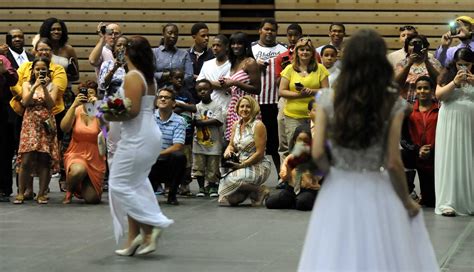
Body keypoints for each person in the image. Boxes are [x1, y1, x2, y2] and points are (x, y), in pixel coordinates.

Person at [298, 29, 438, 271]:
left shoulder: (327, 99)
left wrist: (332, 173)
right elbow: (393, 162)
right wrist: (406, 201)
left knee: (336, 254)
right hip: (376, 188)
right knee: (378, 254)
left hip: (338, 189)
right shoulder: (390, 102)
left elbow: (318, 153)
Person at [105, 36, 173, 256]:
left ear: (128, 54)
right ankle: (139, 236)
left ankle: (153, 225)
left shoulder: (133, 77)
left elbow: (131, 111)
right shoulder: (149, 78)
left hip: (138, 136)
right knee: (135, 185)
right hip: (148, 132)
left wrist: (104, 113)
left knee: (117, 184)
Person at [39, 17, 80, 190]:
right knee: (46, 136)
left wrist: (66, 74)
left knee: (65, 137)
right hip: (43, 95)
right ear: (47, 31)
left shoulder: (68, 49)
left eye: (59, 29)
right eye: (53, 29)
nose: (56, 32)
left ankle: (64, 176)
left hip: (65, 96)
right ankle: (44, 179)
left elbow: (77, 76)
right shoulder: (41, 49)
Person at [14, 57, 60, 204]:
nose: (40, 71)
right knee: (26, 158)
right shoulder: (27, 84)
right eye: (37, 69)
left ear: (48, 71)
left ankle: (41, 193)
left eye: (43, 69)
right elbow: (25, 102)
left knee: (44, 158)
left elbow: (51, 104)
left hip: (46, 123)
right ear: (33, 70)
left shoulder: (53, 86)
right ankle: (21, 192)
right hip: (30, 123)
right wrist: (35, 87)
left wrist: (44, 87)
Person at [435, 47, 474, 217]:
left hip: (470, 121)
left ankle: (469, 201)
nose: (463, 68)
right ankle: (447, 203)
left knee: (469, 157)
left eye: (466, 64)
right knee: (449, 157)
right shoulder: (447, 74)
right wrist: (455, 83)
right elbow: (439, 95)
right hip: (449, 120)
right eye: (460, 64)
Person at [279, 38, 329, 159]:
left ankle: (313, 176)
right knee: (295, 149)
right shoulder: (289, 69)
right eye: (302, 49)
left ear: (312, 52)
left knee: (315, 148)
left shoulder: (320, 68)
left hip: (315, 116)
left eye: (308, 50)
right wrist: (298, 95)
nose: (305, 52)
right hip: (293, 115)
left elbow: (326, 91)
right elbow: (281, 91)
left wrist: (312, 92)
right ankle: (293, 176)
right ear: (297, 52)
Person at [218, 95, 271, 207]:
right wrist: (228, 151)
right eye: (242, 106)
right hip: (240, 163)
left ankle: (260, 190)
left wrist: (242, 165)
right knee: (228, 201)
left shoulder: (258, 125)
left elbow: (260, 153)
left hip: (258, 165)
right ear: (237, 109)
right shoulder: (236, 125)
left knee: (230, 180)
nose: (244, 109)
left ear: (253, 109)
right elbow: (231, 145)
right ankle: (252, 192)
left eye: (248, 107)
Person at [60, 80, 106, 204]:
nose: (88, 97)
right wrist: (74, 105)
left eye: (91, 94)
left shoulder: (99, 110)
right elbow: (64, 128)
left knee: (92, 199)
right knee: (78, 170)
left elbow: (107, 133)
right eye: (86, 93)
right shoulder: (77, 109)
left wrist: (97, 109)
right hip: (76, 153)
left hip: (95, 156)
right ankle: (69, 191)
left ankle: (83, 183)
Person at [251, 18, 287, 173]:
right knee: (253, 141)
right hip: (254, 102)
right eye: (266, 29)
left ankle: (281, 175)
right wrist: (253, 65)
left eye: (272, 29)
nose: (269, 32)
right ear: (260, 30)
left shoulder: (283, 49)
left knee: (275, 142)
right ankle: (250, 174)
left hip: (275, 101)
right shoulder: (250, 48)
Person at [401, 76, 439, 208]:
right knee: (399, 155)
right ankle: (409, 192)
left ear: (432, 90)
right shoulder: (409, 111)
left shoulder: (440, 110)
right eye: (419, 88)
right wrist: (418, 150)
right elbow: (403, 139)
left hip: (435, 158)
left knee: (430, 202)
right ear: (415, 91)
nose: (422, 91)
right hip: (415, 156)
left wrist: (431, 150)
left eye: (426, 88)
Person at [266, 125, 319, 211]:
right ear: (294, 141)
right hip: (292, 189)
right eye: (299, 141)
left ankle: (304, 201)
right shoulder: (290, 157)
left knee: (303, 202)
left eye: (306, 141)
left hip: (309, 190)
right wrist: (287, 170)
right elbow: (284, 178)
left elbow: (316, 178)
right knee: (270, 202)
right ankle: (293, 201)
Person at [149, 88, 187, 205]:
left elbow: (177, 146)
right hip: (149, 160)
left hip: (166, 160)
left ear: (174, 103)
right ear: (156, 101)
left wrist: (158, 154)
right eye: (160, 97)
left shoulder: (179, 121)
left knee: (179, 157)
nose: (163, 99)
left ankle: (172, 194)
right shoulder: (148, 118)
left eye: (167, 97)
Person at [221, 32, 260, 141]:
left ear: (245, 45)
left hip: (248, 107)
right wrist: (226, 85)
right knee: (234, 141)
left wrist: (234, 83)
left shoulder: (250, 62)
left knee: (247, 140)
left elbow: (257, 89)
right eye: (233, 43)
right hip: (234, 107)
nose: (235, 46)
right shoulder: (234, 63)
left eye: (239, 43)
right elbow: (235, 88)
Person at [192, 79, 224, 197]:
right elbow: (195, 121)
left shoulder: (216, 106)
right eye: (200, 90)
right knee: (199, 167)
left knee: (213, 166)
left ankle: (212, 186)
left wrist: (202, 122)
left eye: (205, 89)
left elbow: (217, 120)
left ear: (211, 90)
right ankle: (201, 188)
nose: (203, 92)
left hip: (214, 143)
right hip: (199, 143)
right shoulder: (197, 107)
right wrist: (201, 122)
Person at [169, 68, 196, 195]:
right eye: (176, 77)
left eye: (181, 77)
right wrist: (179, 108)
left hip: (187, 132)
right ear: (171, 79)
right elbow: (165, 109)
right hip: (170, 132)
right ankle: (170, 184)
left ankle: (185, 184)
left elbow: (194, 107)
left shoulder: (187, 93)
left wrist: (180, 105)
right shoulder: (168, 92)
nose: (179, 80)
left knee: (187, 160)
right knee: (171, 159)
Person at [395, 34, 442, 104]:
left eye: (419, 44)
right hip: (406, 106)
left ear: (425, 47)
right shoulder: (402, 64)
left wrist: (426, 61)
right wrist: (409, 64)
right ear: (407, 48)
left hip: (430, 105)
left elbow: (440, 82)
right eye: (411, 44)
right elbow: (396, 84)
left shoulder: (434, 63)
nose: (414, 47)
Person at [153, 23, 193, 91]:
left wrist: (176, 80)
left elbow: (189, 76)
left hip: (179, 93)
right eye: (170, 33)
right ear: (163, 34)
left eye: (176, 34)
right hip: (159, 91)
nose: (173, 36)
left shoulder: (184, 54)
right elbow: (150, 75)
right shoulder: (154, 53)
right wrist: (168, 75)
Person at [0, 55, 18, 202]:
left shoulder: (2, 60)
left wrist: (4, 71)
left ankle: (4, 187)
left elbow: (14, 80)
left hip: (2, 111)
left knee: (4, 150)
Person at [197, 34, 231, 111]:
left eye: (218, 45)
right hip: (208, 108)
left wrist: (206, 82)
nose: (215, 48)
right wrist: (219, 85)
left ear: (226, 47)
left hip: (226, 107)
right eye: (213, 45)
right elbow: (199, 83)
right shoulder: (206, 64)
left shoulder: (232, 65)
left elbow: (228, 86)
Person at [188, 22, 214, 101]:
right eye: (203, 36)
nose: (206, 38)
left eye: (207, 36)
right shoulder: (186, 55)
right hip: (190, 96)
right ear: (194, 37)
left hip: (207, 96)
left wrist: (197, 77)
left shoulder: (212, 55)